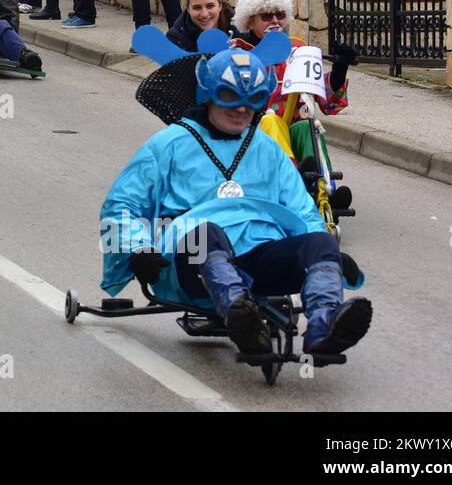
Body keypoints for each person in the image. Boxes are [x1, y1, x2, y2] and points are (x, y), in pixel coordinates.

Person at [100, 46, 372, 357]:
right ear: (208, 93)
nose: (242, 109)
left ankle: (325, 328)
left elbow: (302, 210)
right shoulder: (168, 145)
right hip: (193, 258)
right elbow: (122, 205)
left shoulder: (268, 149)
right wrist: (137, 248)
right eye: (230, 97)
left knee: (320, 244)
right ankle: (241, 316)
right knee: (207, 233)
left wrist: (328, 255)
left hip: (259, 256)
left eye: (253, 99)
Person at [230, 0, 356, 171]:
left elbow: (326, 100)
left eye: (279, 15)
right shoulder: (238, 54)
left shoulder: (298, 49)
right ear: (249, 21)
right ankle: (291, 176)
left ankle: (322, 186)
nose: (274, 21)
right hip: (254, 136)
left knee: (307, 126)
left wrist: (340, 68)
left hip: (294, 130)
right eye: (266, 16)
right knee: (270, 121)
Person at [167, 0, 233, 52]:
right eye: (197, 8)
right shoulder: (176, 38)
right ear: (188, 9)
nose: (204, 14)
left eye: (210, 6)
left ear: (220, 6)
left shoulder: (239, 28)